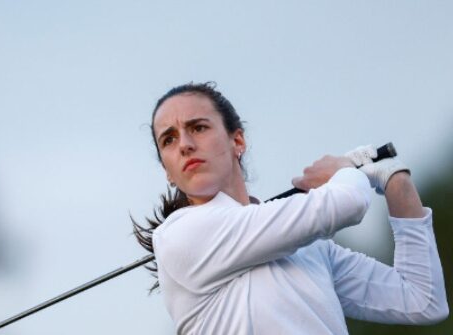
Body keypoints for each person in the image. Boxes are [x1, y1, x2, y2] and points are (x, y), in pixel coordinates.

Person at [133, 82, 449, 334]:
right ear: (167, 169)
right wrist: (342, 171)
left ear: (237, 141)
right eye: (169, 140)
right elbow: (347, 202)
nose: (185, 144)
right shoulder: (180, 235)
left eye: (198, 127)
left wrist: (395, 179)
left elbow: (423, 300)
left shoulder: (310, 249)